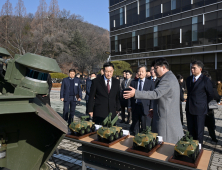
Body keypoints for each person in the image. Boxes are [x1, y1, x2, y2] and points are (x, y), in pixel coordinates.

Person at [124, 58, 184, 144]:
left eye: (156, 68)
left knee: (165, 147)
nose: (154, 71)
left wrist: (136, 93)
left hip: (166, 122)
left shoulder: (167, 79)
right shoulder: (168, 77)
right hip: (164, 116)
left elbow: (155, 94)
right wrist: (155, 110)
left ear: (163, 67)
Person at [186, 61, 214, 144]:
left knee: (199, 132)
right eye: (191, 67)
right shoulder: (189, 79)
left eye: (194, 68)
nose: (192, 69)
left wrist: (203, 105)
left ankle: (199, 149)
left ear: (200, 69)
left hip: (200, 110)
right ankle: (191, 148)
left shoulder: (205, 80)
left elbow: (210, 95)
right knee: (190, 131)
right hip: (189, 109)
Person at [128, 65, 155, 135]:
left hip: (146, 108)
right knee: (135, 127)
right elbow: (129, 95)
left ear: (146, 73)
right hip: (135, 107)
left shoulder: (150, 83)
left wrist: (151, 107)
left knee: (145, 127)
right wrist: (129, 106)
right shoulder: (133, 82)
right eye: (139, 71)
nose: (140, 73)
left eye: (142, 71)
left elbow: (152, 96)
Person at [202, 71, 219, 143]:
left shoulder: (199, 84)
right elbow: (217, 97)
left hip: (201, 107)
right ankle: (213, 137)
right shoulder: (212, 86)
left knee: (200, 123)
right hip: (209, 108)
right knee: (211, 125)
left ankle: (199, 137)